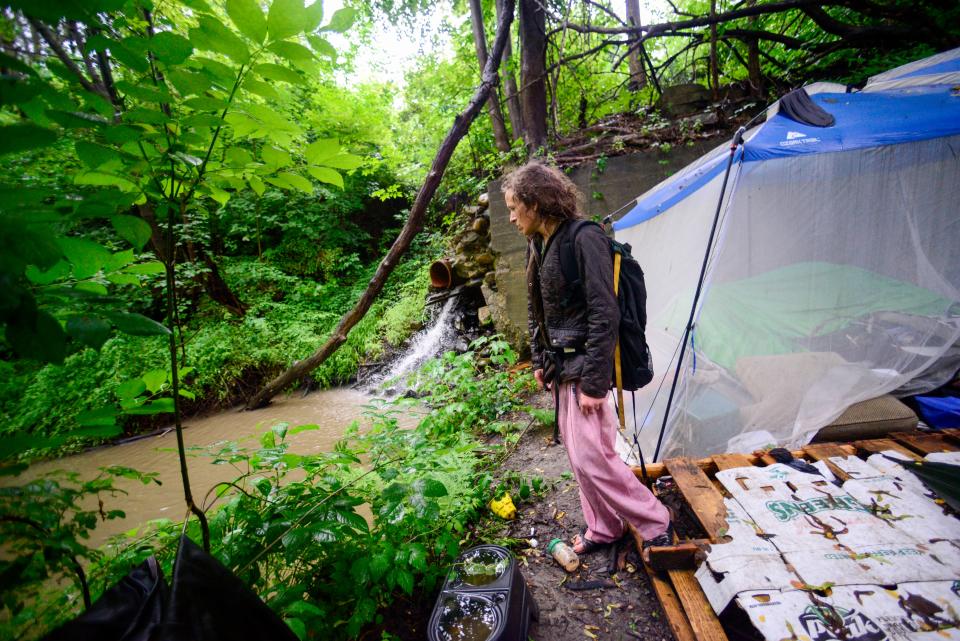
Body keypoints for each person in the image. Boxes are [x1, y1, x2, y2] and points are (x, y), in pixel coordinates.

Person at [502, 161, 672, 556]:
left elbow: (605, 312)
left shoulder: (585, 239)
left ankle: (655, 522)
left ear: (535, 202)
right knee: (580, 459)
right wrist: (540, 360)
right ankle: (604, 527)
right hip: (561, 369)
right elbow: (537, 310)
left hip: (586, 370)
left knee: (595, 458)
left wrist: (595, 383)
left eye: (514, 207)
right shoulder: (538, 243)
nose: (510, 217)